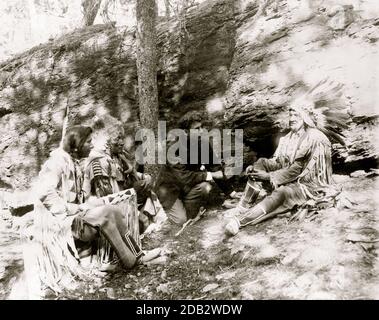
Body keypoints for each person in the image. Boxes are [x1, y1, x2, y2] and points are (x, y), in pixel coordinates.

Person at [31, 125, 144, 294]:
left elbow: (79, 195)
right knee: (106, 213)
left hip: (73, 217)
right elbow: (43, 191)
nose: (92, 145)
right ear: (77, 145)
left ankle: (136, 254)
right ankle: (129, 262)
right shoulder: (57, 162)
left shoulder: (73, 161)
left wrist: (90, 202)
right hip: (58, 223)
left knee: (112, 210)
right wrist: (70, 209)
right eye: (88, 142)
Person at [225, 81, 347, 236]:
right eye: (290, 114)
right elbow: (279, 161)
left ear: (305, 117)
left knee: (282, 193)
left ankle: (239, 222)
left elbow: (297, 169)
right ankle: (243, 206)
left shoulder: (315, 138)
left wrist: (269, 176)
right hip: (290, 175)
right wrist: (257, 168)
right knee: (261, 162)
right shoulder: (290, 136)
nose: (291, 118)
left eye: (295, 115)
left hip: (309, 184)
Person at [82, 118, 161, 269]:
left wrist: (143, 178)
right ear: (107, 140)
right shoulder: (98, 163)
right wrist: (134, 190)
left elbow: (125, 179)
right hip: (105, 217)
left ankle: (137, 253)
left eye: (122, 137)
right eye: (118, 138)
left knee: (144, 216)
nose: (122, 142)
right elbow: (107, 200)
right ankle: (126, 256)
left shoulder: (116, 157)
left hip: (121, 208)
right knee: (141, 221)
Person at [155, 111, 227, 226]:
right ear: (186, 132)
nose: (201, 131)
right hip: (171, 190)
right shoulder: (173, 146)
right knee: (181, 221)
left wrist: (230, 192)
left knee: (205, 187)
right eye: (197, 129)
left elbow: (214, 167)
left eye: (202, 127)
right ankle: (161, 207)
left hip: (188, 186)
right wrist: (209, 175)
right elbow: (182, 177)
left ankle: (188, 206)